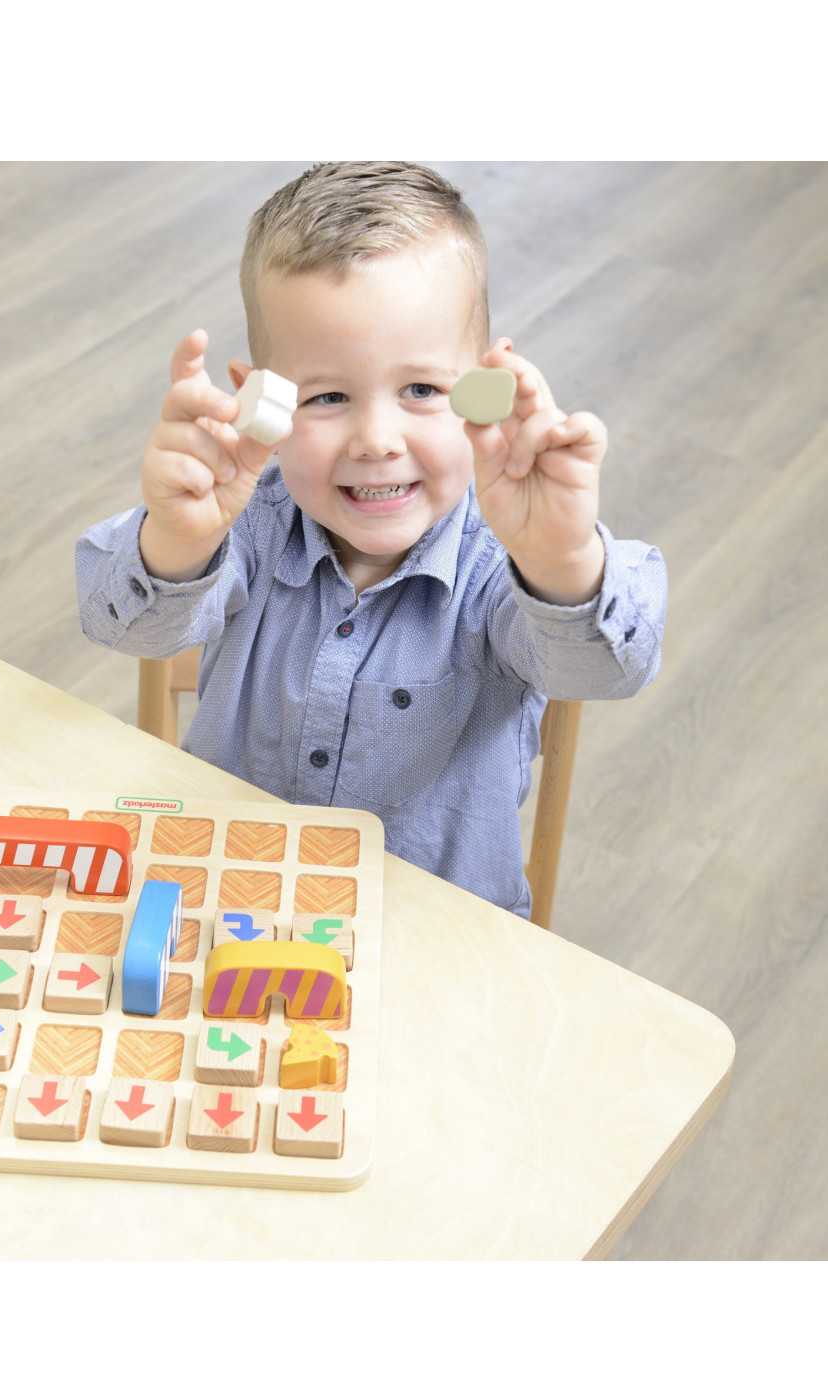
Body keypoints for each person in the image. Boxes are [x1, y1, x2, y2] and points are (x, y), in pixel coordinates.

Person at [75, 162, 667, 917]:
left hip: (432, 937)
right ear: (261, 400)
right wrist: (177, 539)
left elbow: (604, 668)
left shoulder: (505, 560)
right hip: (226, 904)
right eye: (328, 397)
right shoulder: (247, 520)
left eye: (422, 389)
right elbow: (126, 625)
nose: (377, 439)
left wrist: (561, 562)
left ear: (489, 386)